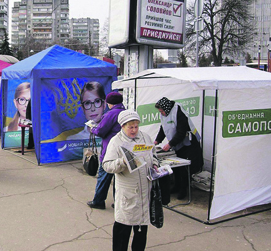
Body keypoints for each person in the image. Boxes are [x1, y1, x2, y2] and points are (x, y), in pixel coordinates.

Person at [102, 110, 158, 251]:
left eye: (136, 126)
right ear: (123, 126)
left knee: (141, 229)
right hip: (128, 192)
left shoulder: (145, 137)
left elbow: (154, 154)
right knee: (123, 227)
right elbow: (107, 165)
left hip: (145, 191)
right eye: (130, 127)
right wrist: (123, 162)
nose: (134, 130)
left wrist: (156, 164)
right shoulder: (116, 141)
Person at [154, 97, 203, 200]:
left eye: (162, 111)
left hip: (189, 143)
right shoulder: (164, 113)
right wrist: (156, 141)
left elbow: (182, 132)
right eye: (160, 111)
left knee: (184, 168)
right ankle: (176, 186)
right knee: (176, 167)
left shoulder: (179, 111)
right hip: (177, 144)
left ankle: (183, 190)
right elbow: (163, 128)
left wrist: (170, 144)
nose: (161, 113)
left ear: (166, 108)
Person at [87, 92, 126, 210]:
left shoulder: (111, 114)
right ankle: (118, 202)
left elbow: (101, 131)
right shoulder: (126, 112)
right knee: (119, 178)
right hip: (123, 150)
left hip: (110, 150)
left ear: (110, 103)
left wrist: (92, 129)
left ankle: (98, 201)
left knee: (104, 176)